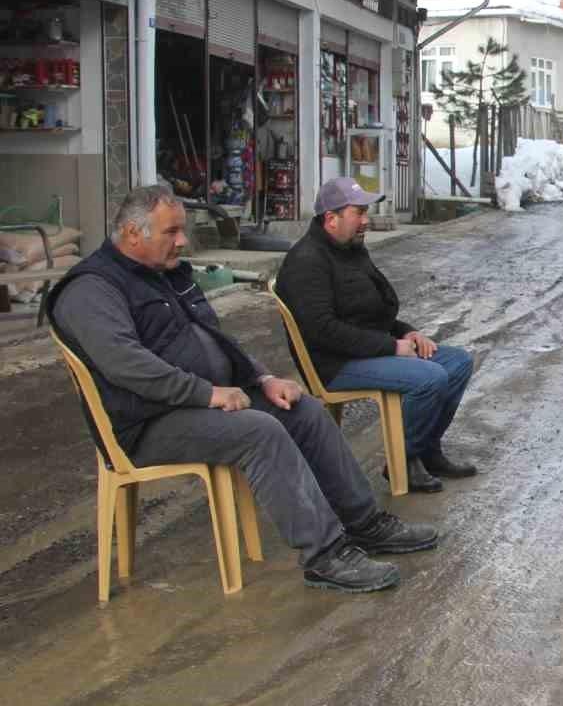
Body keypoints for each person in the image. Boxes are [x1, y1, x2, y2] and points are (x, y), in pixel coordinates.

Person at [46, 186, 437, 594]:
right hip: (147, 424)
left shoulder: (166, 273)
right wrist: (207, 393)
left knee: (302, 410)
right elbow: (126, 364)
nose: (183, 241)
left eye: (183, 230)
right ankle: (325, 555)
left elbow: (217, 340)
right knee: (259, 432)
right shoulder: (91, 289)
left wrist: (262, 379)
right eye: (172, 232)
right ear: (131, 233)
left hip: (198, 404)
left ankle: (365, 524)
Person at [276, 178, 476, 494]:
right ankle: (403, 461)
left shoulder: (350, 249)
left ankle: (426, 450)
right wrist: (392, 346)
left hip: (369, 349)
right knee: (430, 377)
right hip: (335, 364)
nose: (366, 220)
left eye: (366, 211)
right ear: (331, 219)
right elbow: (323, 330)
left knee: (457, 362)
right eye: (359, 212)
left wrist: (407, 331)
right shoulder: (307, 261)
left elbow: (373, 311)